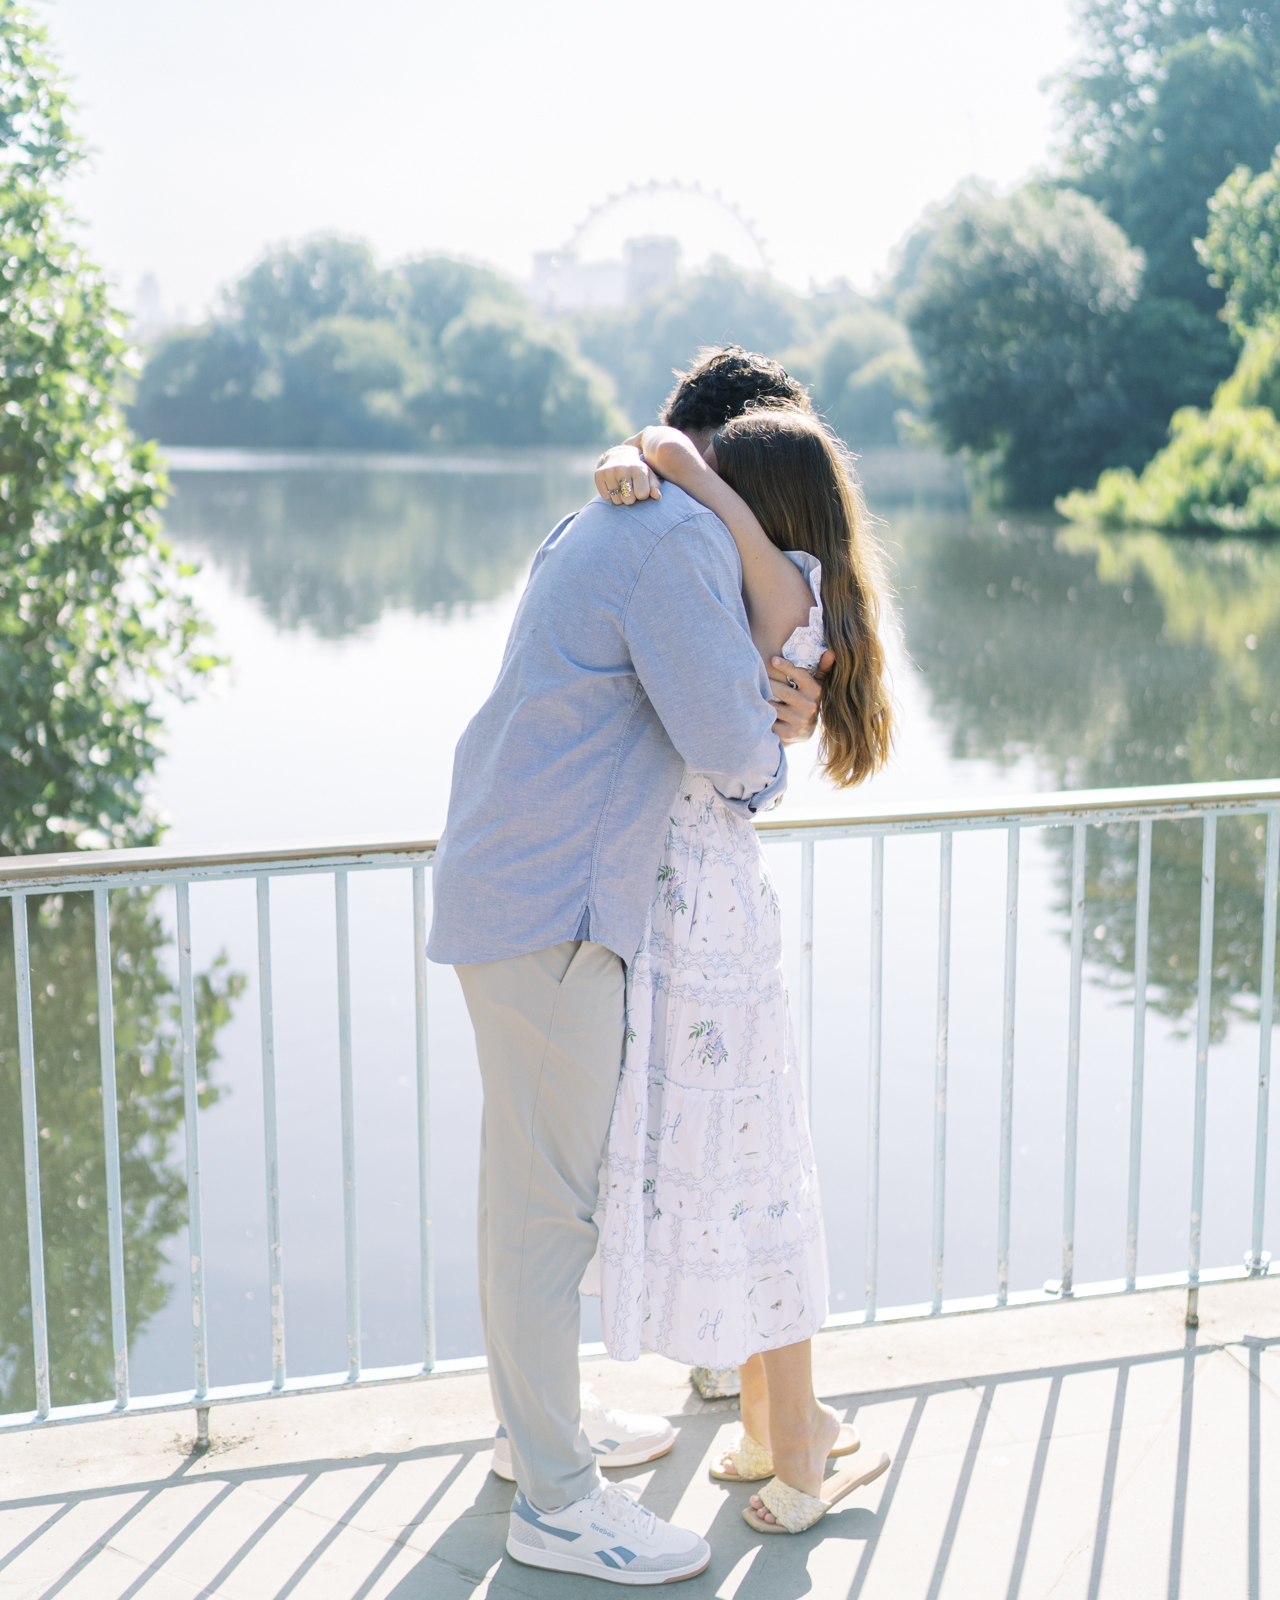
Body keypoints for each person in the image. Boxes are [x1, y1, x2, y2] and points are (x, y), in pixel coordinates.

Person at [427, 349, 825, 1583]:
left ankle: (533, 1432)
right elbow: (733, 751)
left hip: (513, 885)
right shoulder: (671, 547)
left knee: (523, 1195)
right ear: (725, 473)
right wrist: (781, 721)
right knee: (550, 1213)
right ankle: (558, 1501)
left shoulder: (616, 520)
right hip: (551, 906)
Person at [591, 405, 895, 1535]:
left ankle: (803, 1444)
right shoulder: (739, 594)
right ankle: (774, 1426)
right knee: (727, 1171)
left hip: (711, 934)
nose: (692, 497)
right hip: (680, 927)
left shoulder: (789, 594)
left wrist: (679, 470)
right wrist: (636, 460)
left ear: (758, 507)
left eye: (721, 486)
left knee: (760, 1178)